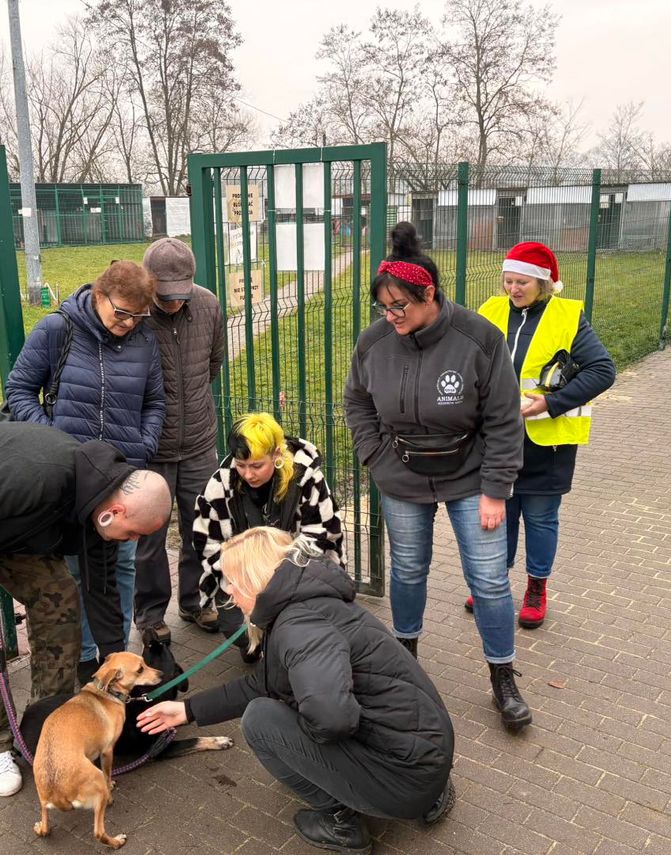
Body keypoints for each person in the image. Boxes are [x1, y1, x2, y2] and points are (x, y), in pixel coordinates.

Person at [0, 422, 171, 797]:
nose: (134, 541)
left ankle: (46, 720)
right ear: (114, 512)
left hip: (1, 526)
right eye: (134, 533)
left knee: (59, 598)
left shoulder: (98, 511)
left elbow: (101, 591)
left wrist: (113, 665)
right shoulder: (38, 475)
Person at [137, 528, 455, 854]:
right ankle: (427, 790)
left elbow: (332, 719)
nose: (229, 592)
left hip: (404, 782)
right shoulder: (313, 601)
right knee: (284, 702)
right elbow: (267, 683)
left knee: (261, 720)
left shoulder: (297, 627)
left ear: (254, 578)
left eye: (232, 580)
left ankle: (340, 821)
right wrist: (188, 710)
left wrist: (297, 724)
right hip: (430, 756)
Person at [344, 221, 532, 732]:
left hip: (472, 478)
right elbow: (357, 402)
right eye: (383, 307)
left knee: (490, 581)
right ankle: (405, 662)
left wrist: (496, 489)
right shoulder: (375, 342)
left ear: (429, 294)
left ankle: (502, 675)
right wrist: (374, 457)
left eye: (399, 306)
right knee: (407, 570)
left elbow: (503, 418)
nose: (390, 317)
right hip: (401, 476)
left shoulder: (479, 338)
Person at [4, 260, 165, 684]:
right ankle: (85, 656)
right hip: (69, 480)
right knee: (75, 570)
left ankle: (117, 654)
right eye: (121, 313)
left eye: (139, 315)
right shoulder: (57, 330)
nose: (129, 324)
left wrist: (142, 447)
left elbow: (155, 402)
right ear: (98, 295)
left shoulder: (144, 339)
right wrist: (55, 445)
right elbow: (19, 390)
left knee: (123, 564)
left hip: (121, 477)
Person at [474, 242, 616, 630]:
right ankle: (493, 582)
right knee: (496, 517)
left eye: (522, 282)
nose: (513, 289)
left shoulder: (568, 317)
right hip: (497, 440)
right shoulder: (489, 311)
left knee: (539, 518)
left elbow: (602, 370)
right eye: (508, 280)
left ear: (543, 283)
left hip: (546, 444)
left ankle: (536, 587)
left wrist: (550, 403)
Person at [133, 238, 226, 645]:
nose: (172, 303)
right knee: (148, 540)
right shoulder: (134, 314)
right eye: (164, 295)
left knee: (201, 529)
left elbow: (213, 363)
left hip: (200, 443)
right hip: (149, 449)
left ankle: (197, 600)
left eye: (179, 294)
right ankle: (150, 615)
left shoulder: (208, 305)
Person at [193, 412, 345, 662]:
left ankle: (287, 653)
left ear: (276, 455)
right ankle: (253, 644)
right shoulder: (220, 485)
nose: (248, 474)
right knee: (236, 630)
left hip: (295, 575)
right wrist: (243, 574)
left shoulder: (306, 478)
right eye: (240, 465)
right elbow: (206, 543)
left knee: (294, 631)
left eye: (256, 466)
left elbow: (323, 532)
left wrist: (275, 572)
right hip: (243, 577)